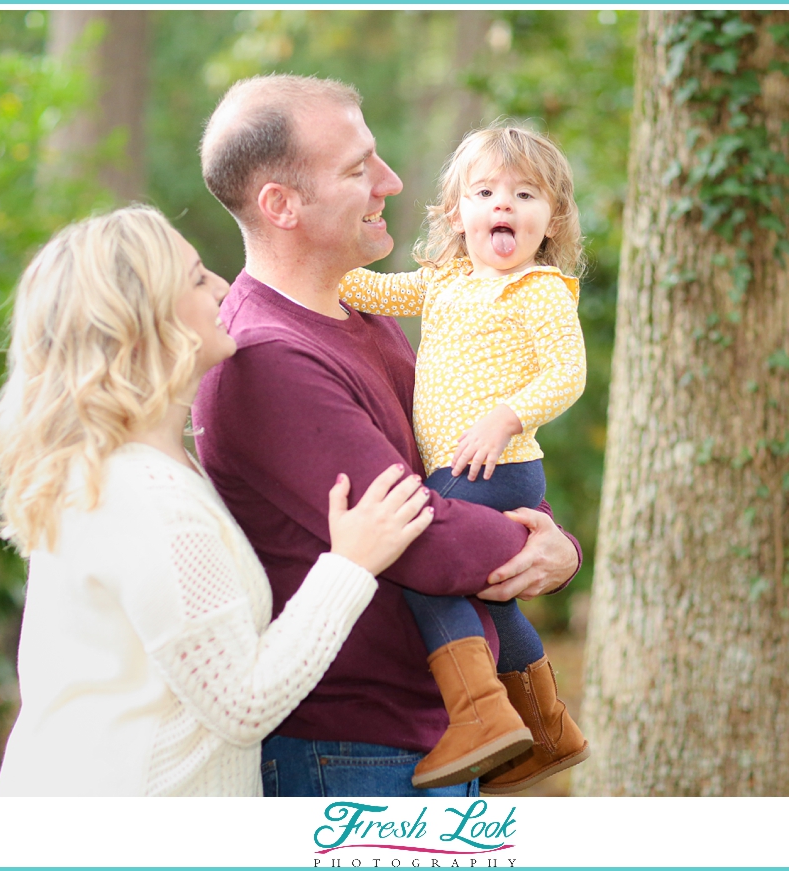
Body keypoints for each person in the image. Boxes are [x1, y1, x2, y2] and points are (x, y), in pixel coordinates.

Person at [194, 74, 582, 798]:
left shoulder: (364, 314)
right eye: (357, 168)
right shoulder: (267, 358)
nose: (392, 181)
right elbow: (423, 535)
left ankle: (539, 713)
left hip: (430, 742)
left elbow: (459, 464)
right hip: (350, 755)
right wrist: (540, 546)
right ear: (281, 204)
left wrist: (554, 537)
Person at [0, 205, 435, 796]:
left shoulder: (127, 471)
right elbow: (243, 704)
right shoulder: (145, 500)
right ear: (142, 321)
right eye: (197, 278)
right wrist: (349, 566)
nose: (222, 286)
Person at [336, 122, 590, 794]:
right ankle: (546, 723)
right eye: (485, 192)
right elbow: (370, 291)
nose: (503, 205)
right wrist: (323, 260)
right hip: (459, 464)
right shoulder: (445, 282)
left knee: (427, 565)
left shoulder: (538, 291)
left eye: (524, 194)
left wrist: (507, 416)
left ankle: (478, 714)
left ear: (551, 217)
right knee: (494, 596)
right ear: (458, 214)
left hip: (498, 464)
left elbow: (568, 374)